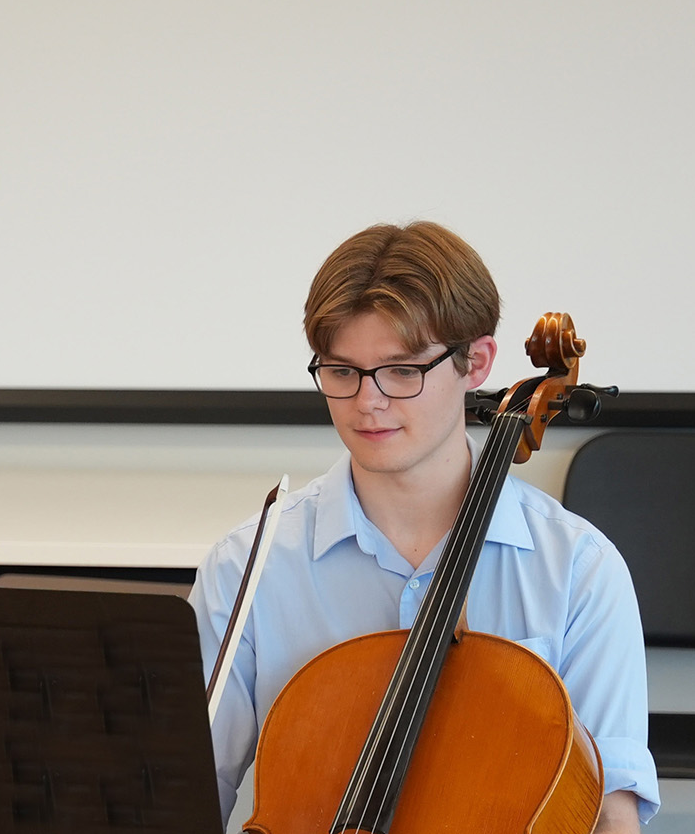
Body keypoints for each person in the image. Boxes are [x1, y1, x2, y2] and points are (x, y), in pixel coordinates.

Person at [190, 221, 658, 832]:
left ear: (477, 362)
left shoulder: (579, 571)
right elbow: (190, 797)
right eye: (341, 371)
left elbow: (607, 817)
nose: (368, 402)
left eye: (402, 371)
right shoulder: (246, 566)